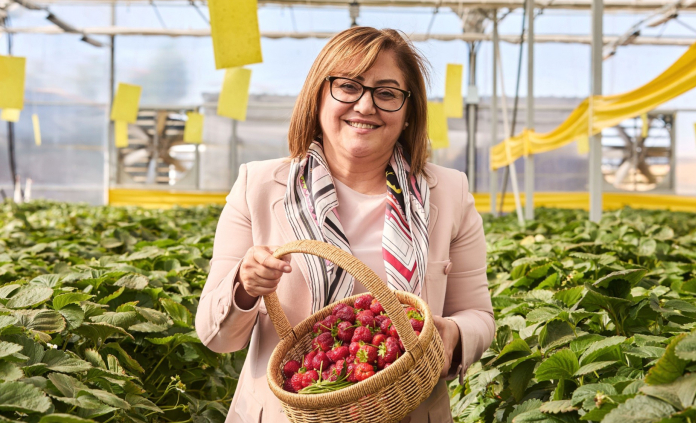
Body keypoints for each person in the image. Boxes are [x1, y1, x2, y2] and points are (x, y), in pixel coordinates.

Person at [196, 26, 494, 423]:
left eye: (386, 93)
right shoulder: (259, 186)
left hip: (405, 410)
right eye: (348, 86)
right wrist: (245, 287)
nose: (366, 106)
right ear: (318, 97)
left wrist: (453, 336)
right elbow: (216, 336)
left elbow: (478, 315)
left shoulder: (448, 193)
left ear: (408, 112)